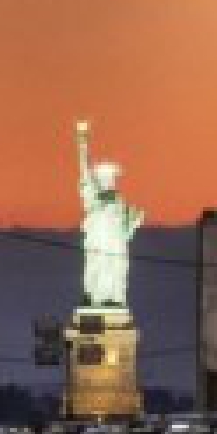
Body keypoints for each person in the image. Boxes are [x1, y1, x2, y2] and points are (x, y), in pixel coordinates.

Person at [76, 119, 143, 308]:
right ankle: (94, 299)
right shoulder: (93, 196)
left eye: (111, 177)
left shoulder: (119, 203)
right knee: (97, 268)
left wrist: (134, 222)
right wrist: (82, 141)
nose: (109, 180)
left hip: (115, 243)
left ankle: (114, 299)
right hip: (98, 240)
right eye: (105, 177)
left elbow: (125, 232)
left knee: (115, 269)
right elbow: (84, 167)